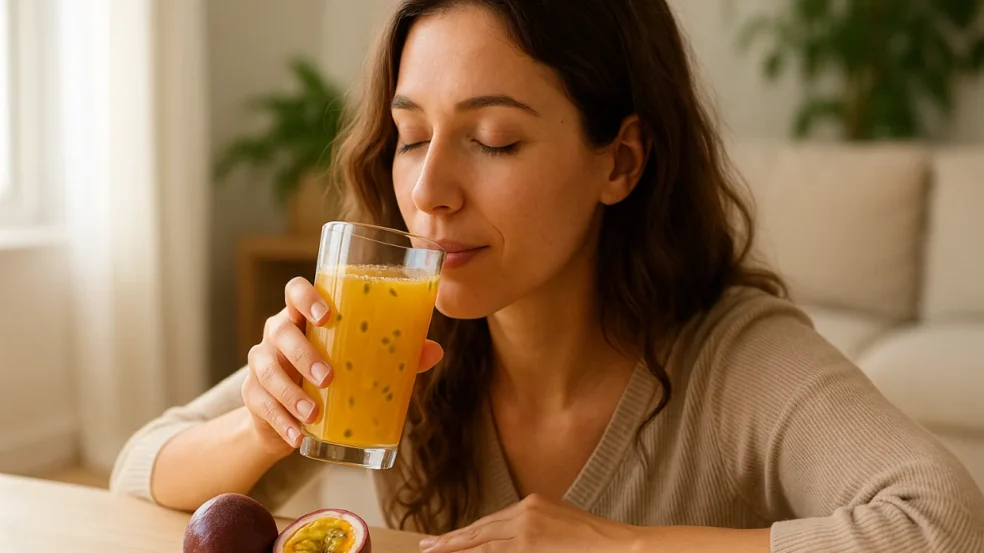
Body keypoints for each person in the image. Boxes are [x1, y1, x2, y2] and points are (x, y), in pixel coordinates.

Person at [112, 1, 984, 551]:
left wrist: (616, 546)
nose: (427, 190)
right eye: (412, 135)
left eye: (493, 140)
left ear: (622, 162)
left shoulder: (733, 357)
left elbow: (943, 523)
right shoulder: (394, 330)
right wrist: (270, 421)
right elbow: (137, 467)